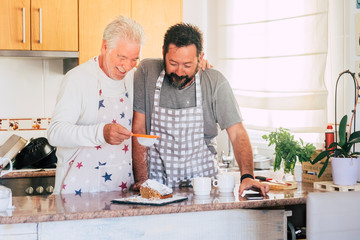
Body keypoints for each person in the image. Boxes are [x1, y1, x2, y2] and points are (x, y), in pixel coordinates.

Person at [132, 23, 269, 196]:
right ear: (163, 52)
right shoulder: (147, 72)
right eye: (173, 63)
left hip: (205, 190)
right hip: (157, 190)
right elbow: (139, 129)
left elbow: (237, 133)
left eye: (188, 65)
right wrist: (143, 182)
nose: (179, 71)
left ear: (200, 57)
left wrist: (247, 176)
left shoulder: (215, 82)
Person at [47, 16, 145, 195]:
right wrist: (101, 133)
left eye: (134, 59)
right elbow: (55, 133)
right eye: (122, 57)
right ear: (104, 47)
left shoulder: (133, 78)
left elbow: (166, 67)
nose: (127, 66)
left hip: (120, 193)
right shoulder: (77, 78)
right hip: (78, 192)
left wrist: (199, 67)